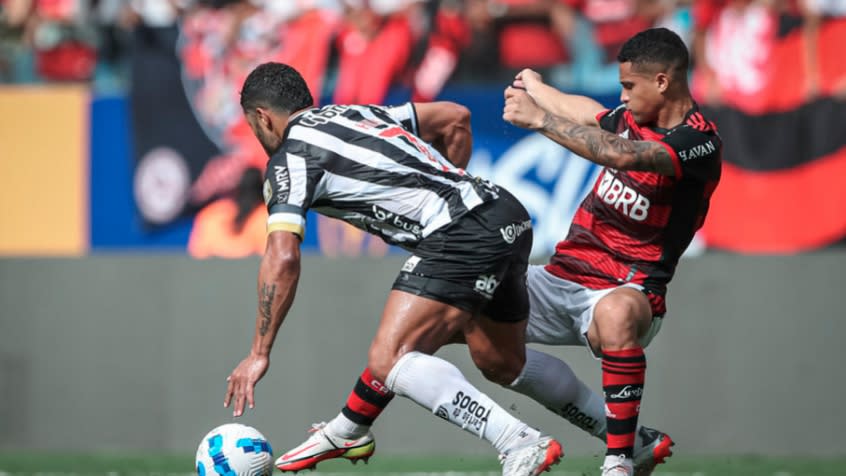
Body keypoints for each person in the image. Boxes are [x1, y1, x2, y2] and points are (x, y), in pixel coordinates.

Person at [285, 27, 721, 476]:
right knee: (448, 337)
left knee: (615, 317)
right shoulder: (633, 116)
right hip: (559, 276)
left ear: (664, 82)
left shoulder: (698, 142)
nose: (623, 97)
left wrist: (541, 121)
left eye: (629, 86)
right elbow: (593, 114)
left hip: (629, 288)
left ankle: (619, 462)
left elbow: (627, 155)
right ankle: (353, 425)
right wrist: (539, 88)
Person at [223, 61, 563, 476]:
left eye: (254, 128)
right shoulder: (355, 113)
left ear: (262, 117)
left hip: (463, 231)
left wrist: (259, 352)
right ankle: (626, 443)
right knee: (501, 360)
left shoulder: (289, 158)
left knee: (391, 356)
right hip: (503, 211)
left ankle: (517, 440)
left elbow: (283, 257)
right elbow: (456, 117)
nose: (258, 138)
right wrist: (452, 188)